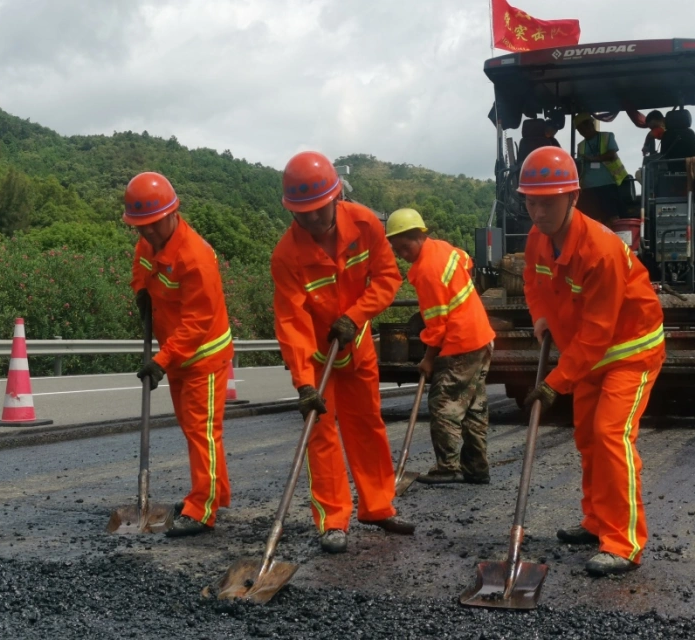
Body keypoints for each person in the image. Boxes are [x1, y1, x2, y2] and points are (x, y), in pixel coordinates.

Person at [518, 146, 666, 577]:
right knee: (586, 437)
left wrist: (554, 382)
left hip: (630, 352)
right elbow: (533, 280)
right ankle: (597, 521)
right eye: (531, 200)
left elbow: (599, 334)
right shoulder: (536, 238)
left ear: (573, 197)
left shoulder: (599, 251)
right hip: (588, 357)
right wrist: (540, 316)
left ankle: (624, 543)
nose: (538, 210)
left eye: (548, 201)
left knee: (609, 435)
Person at [271, 150, 415, 554]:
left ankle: (378, 507)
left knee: (367, 426)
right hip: (317, 359)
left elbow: (387, 278)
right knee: (321, 432)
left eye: (319, 210)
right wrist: (303, 383)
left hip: (357, 344)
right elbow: (291, 323)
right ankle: (333, 519)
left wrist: (356, 315)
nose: (313, 220)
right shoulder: (286, 256)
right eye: (303, 214)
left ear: (336, 198)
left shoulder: (366, 224)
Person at [126, 171, 233, 538]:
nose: (149, 232)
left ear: (174, 212)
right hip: (176, 354)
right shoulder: (146, 245)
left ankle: (203, 509)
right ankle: (210, 494)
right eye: (141, 227)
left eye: (154, 224)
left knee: (203, 432)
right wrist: (141, 293)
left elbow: (196, 323)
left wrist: (161, 361)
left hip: (203, 355)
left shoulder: (196, 257)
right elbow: (141, 272)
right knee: (192, 430)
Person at [385, 208, 495, 485]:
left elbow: (436, 327)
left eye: (405, 246)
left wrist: (428, 359)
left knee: (443, 404)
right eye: (397, 250)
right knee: (473, 406)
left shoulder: (426, 272)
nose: (402, 254)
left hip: (460, 342)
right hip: (480, 337)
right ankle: (476, 468)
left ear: (419, 236)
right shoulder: (444, 249)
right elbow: (466, 260)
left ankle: (448, 467)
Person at [574, 112, 629, 224]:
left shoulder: (607, 136)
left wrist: (593, 159)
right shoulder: (581, 146)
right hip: (588, 188)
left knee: (613, 219)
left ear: (592, 123)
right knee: (593, 221)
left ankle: (615, 241)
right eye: (580, 127)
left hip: (608, 184)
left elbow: (611, 154)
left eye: (586, 124)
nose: (584, 129)